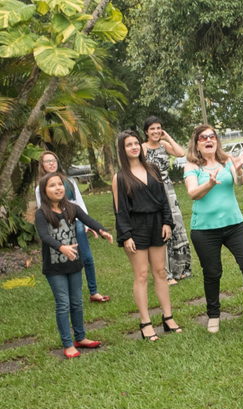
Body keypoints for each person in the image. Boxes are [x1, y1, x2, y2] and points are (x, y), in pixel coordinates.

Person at [184, 124, 243, 334]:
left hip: (234, 225)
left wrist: (239, 168)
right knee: (213, 273)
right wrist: (210, 183)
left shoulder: (226, 161)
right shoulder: (191, 166)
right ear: (197, 143)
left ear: (216, 141)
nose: (208, 140)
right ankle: (213, 315)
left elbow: (240, 182)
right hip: (204, 229)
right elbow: (193, 193)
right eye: (203, 137)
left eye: (212, 136)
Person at [113, 131, 182, 341]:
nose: (134, 147)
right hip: (135, 228)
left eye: (135, 143)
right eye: (128, 145)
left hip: (157, 225)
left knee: (160, 272)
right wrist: (126, 236)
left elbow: (163, 200)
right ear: (122, 150)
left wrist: (167, 222)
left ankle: (168, 317)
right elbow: (120, 211)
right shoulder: (120, 177)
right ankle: (145, 322)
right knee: (142, 275)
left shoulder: (153, 169)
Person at [35, 172, 113, 358]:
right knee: (63, 304)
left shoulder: (72, 208)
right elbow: (44, 236)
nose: (58, 188)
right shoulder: (42, 213)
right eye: (52, 185)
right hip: (54, 267)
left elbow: (88, 220)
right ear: (45, 191)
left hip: (74, 264)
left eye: (60, 184)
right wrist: (61, 247)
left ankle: (80, 338)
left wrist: (101, 230)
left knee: (77, 302)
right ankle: (68, 344)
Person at [36, 151, 109, 303]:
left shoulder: (69, 181)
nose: (51, 163)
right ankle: (65, 294)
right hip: (56, 227)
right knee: (65, 258)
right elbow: (41, 209)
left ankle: (93, 291)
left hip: (76, 222)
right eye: (47, 161)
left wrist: (89, 225)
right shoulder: (40, 188)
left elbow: (79, 204)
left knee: (87, 258)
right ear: (42, 165)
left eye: (53, 160)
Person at [143, 116, 192, 284]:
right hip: (152, 190)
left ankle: (180, 269)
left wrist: (167, 137)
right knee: (162, 228)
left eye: (158, 128)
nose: (156, 131)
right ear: (146, 132)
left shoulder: (163, 145)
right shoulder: (142, 148)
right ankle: (166, 274)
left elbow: (180, 153)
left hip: (169, 190)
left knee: (176, 226)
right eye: (152, 129)